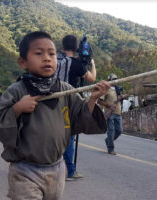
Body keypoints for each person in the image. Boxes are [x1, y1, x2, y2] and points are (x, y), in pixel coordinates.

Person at [0, 31, 109, 200]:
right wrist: (17, 108)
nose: (47, 58)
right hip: (25, 170)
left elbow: (81, 117)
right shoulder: (17, 90)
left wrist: (93, 99)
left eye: (51, 54)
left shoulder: (66, 90)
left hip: (57, 169)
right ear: (23, 62)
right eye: (39, 53)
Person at [57, 34, 97, 181]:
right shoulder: (77, 64)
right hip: (68, 104)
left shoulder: (55, 61)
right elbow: (92, 79)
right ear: (76, 48)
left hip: (51, 103)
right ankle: (70, 171)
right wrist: (92, 64)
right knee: (69, 136)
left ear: (62, 47)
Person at [98, 74, 127, 155]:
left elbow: (121, 99)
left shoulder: (119, 89)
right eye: (113, 79)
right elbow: (99, 101)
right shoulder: (106, 89)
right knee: (111, 131)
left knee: (119, 130)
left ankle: (108, 140)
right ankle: (111, 149)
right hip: (109, 113)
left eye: (115, 79)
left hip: (118, 113)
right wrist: (108, 105)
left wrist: (123, 97)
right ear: (109, 80)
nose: (114, 81)